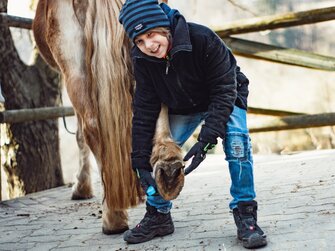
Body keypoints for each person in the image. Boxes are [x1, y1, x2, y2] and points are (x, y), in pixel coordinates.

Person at [119, 0, 267, 248]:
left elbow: (224, 89)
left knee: (238, 144)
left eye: (151, 34)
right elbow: (144, 110)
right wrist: (139, 161)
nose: (149, 45)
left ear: (163, 26)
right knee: (160, 155)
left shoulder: (201, 38)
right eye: (140, 41)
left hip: (225, 96)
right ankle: (159, 216)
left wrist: (207, 138)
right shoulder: (143, 59)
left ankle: (245, 214)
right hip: (183, 106)